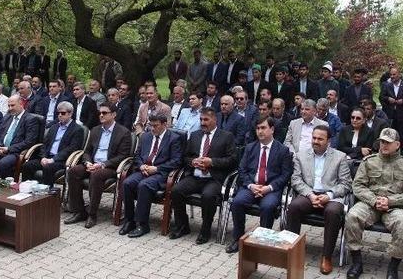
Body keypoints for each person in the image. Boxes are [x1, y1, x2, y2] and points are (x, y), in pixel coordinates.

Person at [344, 128, 403, 279]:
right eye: (382, 141)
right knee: (352, 216)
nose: (384, 145)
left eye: (388, 143)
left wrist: (390, 201)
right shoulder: (369, 161)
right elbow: (357, 186)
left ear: (397, 144)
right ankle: (357, 262)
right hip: (370, 204)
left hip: (396, 207)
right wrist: (373, 200)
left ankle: (393, 267)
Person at [284, 125, 351, 274]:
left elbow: (346, 183)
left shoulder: (340, 157)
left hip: (332, 196)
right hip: (309, 194)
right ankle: (291, 249)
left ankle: (326, 257)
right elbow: (296, 180)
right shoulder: (301, 155)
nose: (316, 141)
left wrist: (329, 196)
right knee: (294, 207)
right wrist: (310, 195)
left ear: (329, 141)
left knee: (333, 212)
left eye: (320, 139)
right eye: (314, 138)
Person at [169, 107, 237, 245]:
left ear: (214, 120)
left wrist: (211, 162)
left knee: (208, 196)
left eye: (206, 119)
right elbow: (185, 157)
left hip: (214, 178)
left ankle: (205, 230)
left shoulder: (226, 136)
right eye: (201, 119)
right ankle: (182, 225)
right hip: (195, 176)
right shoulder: (195, 135)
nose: (202, 122)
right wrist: (193, 161)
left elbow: (233, 160)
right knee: (176, 190)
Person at [225, 116, 293, 253]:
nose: (260, 131)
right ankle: (238, 239)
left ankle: (263, 242)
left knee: (268, 206)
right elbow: (242, 170)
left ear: (272, 129)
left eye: (263, 128)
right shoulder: (250, 148)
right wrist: (251, 185)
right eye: (257, 128)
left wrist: (269, 187)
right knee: (237, 202)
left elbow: (286, 175)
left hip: (271, 188)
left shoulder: (282, 150)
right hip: (251, 186)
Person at [65, 102, 132, 228]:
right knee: (73, 171)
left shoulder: (123, 132)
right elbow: (87, 151)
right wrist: (87, 162)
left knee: (96, 175)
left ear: (114, 115)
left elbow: (122, 156)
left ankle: (92, 214)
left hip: (110, 167)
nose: (101, 115)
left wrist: (102, 165)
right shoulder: (95, 130)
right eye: (100, 113)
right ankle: (79, 211)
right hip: (92, 164)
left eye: (104, 113)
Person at [121, 112, 183, 237]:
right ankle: (130, 220)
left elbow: (176, 161)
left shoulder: (174, 138)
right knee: (127, 183)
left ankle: (142, 224)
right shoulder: (145, 137)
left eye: (156, 125)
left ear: (165, 124)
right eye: (151, 125)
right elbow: (137, 155)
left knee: (144, 185)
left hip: (161, 173)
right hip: (144, 170)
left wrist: (157, 168)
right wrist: (141, 165)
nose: (153, 128)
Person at [22, 101, 84, 186]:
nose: (60, 115)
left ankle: (47, 195)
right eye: (58, 113)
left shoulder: (77, 129)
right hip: (47, 158)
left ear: (70, 114)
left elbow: (71, 149)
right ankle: (28, 190)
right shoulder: (54, 127)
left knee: (48, 167)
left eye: (63, 113)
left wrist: (53, 159)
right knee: (27, 165)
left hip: (62, 160)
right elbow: (44, 145)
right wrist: (43, 157)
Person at [379, 67, 403, 157]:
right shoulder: (386, 85)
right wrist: (388, 99)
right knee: (389, 137)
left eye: (394, 74)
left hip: (401, 116)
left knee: (402, 138)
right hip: (389, 116)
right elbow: (381, 97)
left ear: (399, 75)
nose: (392, 76)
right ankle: (390, 156)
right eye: (391, 75)